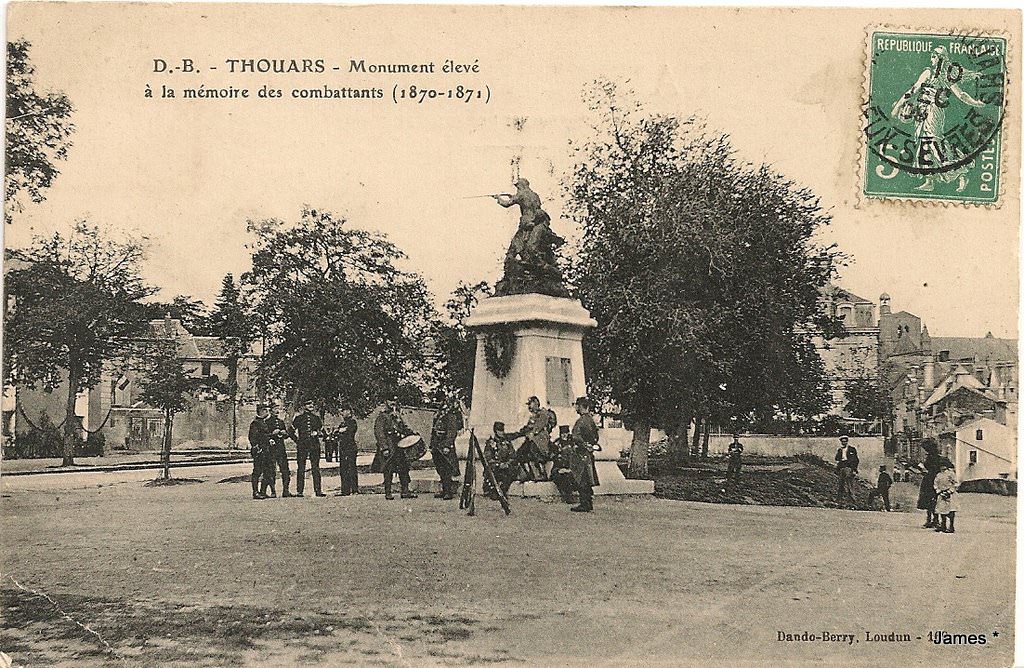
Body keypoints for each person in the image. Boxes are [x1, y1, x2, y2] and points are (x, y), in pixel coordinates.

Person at [372, 401, 417, 500]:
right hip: (390, 447)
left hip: (400, 446)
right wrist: (384, 448)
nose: (393, 405)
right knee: (388, 470)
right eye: (391, 403)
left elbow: (403, 428)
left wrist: (412, 433)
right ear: (386, 403)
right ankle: (388, 492)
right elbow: (379, 433)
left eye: (394, 403)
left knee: (404, 468)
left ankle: (405, 491)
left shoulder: (397, 416)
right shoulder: (382, 416)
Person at [512, 396, 557, 481]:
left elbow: (540, 425)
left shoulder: (543, 413)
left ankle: (542, 473)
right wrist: (518, 433)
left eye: (530, 404)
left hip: (540, 439)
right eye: (528, 404)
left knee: (535, 451)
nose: (529, 406)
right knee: (520, 453)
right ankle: (529, 473)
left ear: (536, 403)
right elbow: (528, 427)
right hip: (531, 439)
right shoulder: (533, 416)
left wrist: (533, 433)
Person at [568, 397, 601, 513]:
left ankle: (584, 503)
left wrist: (582, 445)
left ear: (581, 406)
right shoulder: (590, 420)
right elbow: (596, 437)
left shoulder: (581, 421)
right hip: (588, 453)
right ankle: (588, 503)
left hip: (581, 453)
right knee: (587, 478)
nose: (576, 408)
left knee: (582, 478)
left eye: (577, 406)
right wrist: (590, 446)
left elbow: (576, 436)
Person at [429, 394, 463, 500]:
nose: (439, 404)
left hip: (444, 445)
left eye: (441, 402)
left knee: (447, 469)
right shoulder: (438, 414)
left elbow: (452, 432)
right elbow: (433, 430)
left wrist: (447, 446)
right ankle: (444, 490)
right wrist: (432, 445)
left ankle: (448, 491)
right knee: (440, 468)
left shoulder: (451, 415)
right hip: (437, 445)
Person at [291, 401, 325, 497]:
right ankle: (299, 491)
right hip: (302, 446)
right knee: (301, 468)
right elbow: (290, 431)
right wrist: (297, 441)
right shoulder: (299, 418)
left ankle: (318, 491)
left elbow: (322, 432)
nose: (311, 406)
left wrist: (317, 433)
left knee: (316, 468)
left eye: (312, 404)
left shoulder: (316, 418)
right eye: (308, 404)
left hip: (314, 446)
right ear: (304, 406)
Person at [262, 404, 292, 498]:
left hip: (281, 449)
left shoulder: (281, 422)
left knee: (285, 470)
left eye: (278, 409)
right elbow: (264, 435)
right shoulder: (266, 422)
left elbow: (286, 436)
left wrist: (284, 433)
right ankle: (272, 491)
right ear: (271, 411)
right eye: (275, 409)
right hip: (271, 449)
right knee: (271, 470)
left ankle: (286, 491)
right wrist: (272, 434)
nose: (277, 411)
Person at [483, 421, 516, 501]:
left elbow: (512, 455)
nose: (501, 433)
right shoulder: (490, 443)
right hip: (495, 467)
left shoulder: (507, 442)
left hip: (505, 466)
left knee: (512, 471)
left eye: (502, 430)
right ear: (495, 431)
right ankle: (492, 490)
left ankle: (503, 490)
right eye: (499, 430)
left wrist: (507, 463)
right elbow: (488, 458)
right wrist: (498, 464)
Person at [246, 405, 273, 500]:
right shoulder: (255, 423)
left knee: (267, 471)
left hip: (265, 450)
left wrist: (269, 440)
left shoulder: (262, 422)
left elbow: (264, 435)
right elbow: (252, 437)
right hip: (259, 451)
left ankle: (262, 491)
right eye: (265, 410)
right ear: (261, 411)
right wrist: (257, 447)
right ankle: (255, 492)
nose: (267, 412)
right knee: (257, 471)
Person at [333, 407, 359, 496]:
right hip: (343, 448)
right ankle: (345, 490)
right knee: (343, 469)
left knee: (352, 468)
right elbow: (336, 433)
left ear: (348, 412)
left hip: (350, 447)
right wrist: (339, 431)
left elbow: (350, 431)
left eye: (343, 411)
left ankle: (354, 489)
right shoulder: (342, 424)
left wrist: (341, 431)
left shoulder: (352, 422)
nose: (342, 413)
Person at [917, 438, 942, 528]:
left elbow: (931, 469)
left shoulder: (933, 458)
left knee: (931, 500)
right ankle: (933, 520)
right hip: (931, 480)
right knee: (932, 500)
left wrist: (923, 469)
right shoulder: (935, 457)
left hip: (931, 480)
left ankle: (932, 520)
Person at [549, 425, 576, 504]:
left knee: (570, 475)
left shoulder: (572, 443)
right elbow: (553, 457)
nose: (564, 435)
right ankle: (568, 496)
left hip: (570, 467)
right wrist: (560, 469)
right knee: (562, 476)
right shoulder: (557, 443)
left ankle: (570, 495)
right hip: (558, 468)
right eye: (562, 433)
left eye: (566, 433)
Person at [933, 457, 959, 534]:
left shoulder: (951, 474)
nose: (942, 467)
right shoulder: (938, 475)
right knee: (942, 510)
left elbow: (956, 483)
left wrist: (949, 491)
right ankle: (943, 525)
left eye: (944, 465)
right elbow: (935, 484)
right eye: (941, 465)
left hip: (950, 494)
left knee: (951, 510)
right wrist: (938, 491)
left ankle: (951, 526)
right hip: (941, 494)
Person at [834, 435, 859, 505]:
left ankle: (852, 501)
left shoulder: (852, 449)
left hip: (848, 467)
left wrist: (854, 469)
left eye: (845, 441)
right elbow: (836, 458)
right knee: (841, 484)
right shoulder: (840, 450)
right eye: (842, 442)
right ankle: (839, 500)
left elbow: (856, 460)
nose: (843, 443)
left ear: (847, 442)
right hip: (842, 467)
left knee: (849, 484)